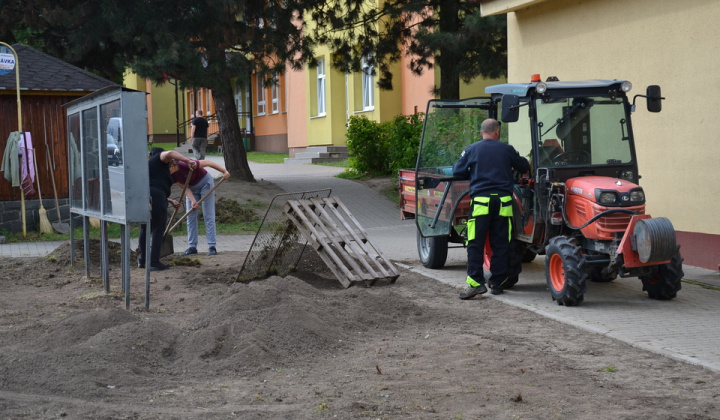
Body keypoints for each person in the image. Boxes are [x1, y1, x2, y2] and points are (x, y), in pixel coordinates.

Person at [452, 118, 530, 299]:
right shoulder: (507, 149)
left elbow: (457, 171)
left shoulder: (472, 149)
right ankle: (497, 282)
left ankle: (476, 284)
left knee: (475, 243)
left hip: (481, 203)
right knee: (501, 243)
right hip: (503, 203)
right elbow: (524, 166)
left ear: (481, 133)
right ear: (497, 132)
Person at [138, 148, 197, 271]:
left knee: (145, 227)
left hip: (147, 196)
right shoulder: (158, 159)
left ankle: (142, 260)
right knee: (158, 228)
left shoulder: (151, 168)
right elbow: (170, 153)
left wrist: (169, 200)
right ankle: (154, 261)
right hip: (157, 196)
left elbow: (153, 185)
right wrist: (187, 160)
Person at [169, 158, 230, 256]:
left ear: (172, 166)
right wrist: (193, 201)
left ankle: (212, 246)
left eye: (168, 170)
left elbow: (208, 162)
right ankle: (192, 247)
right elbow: (185, 188)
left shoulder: (185, 164)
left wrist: (224, 171)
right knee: (190, 216)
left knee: (208, 214)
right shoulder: (172, 176)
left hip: (205, 183)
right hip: (191, 189)